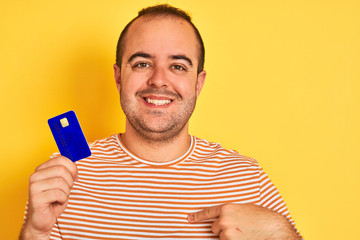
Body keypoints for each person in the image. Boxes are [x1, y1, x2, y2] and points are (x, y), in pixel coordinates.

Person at [20, 4, 301, 240]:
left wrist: (281, 234)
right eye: (142, 63)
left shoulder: (248, 178)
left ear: (198, 83)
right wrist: (34, 231)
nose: (158, 79)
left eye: (178, 66)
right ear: (119, 77)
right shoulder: (63, 174)